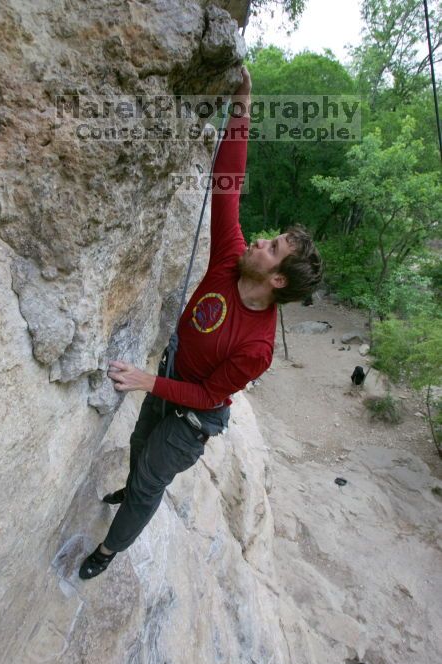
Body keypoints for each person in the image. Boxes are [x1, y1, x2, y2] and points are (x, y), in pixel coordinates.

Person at [79, 67, 322, 579]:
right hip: (172, 377)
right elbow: (226, 185)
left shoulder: (256, 346)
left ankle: (108, 551)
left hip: (194, 415)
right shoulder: (230, 257)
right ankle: (131, 490)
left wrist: (148, 381)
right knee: (140, 448)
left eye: (272, 246)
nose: (259, 240)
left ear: (277, 280)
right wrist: (243, 106)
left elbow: (212, 397)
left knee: (149, 481)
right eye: (270, 238)